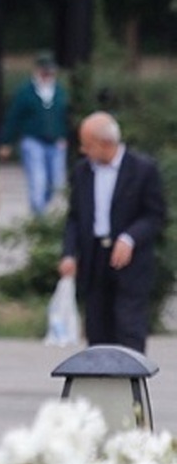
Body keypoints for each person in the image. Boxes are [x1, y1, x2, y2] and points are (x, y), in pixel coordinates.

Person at [59, 112, 167, 353]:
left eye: (88, 145)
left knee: (129, 325)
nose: (84, 151)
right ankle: (100, 384)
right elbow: (74, 217)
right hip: (94, 255)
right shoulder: (82, 172)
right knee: (97, 327)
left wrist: (130, 238)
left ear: (106, 144)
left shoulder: (142, 169)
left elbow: (154, 215)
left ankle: (130, 384)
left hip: (129, 260)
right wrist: (68, 253)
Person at [0, 52, 69, 216]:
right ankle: (38, 215)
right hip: (33, 141)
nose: (47, 75)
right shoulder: (25, 92)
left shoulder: (59, 91)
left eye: (50, 72)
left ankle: (42, 207)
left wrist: (64, 136)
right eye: (44, 71)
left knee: (55, 182)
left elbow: (65, 117)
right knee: (38, 180)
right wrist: (6, 141)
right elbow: (13, 117)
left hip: (56, 142)